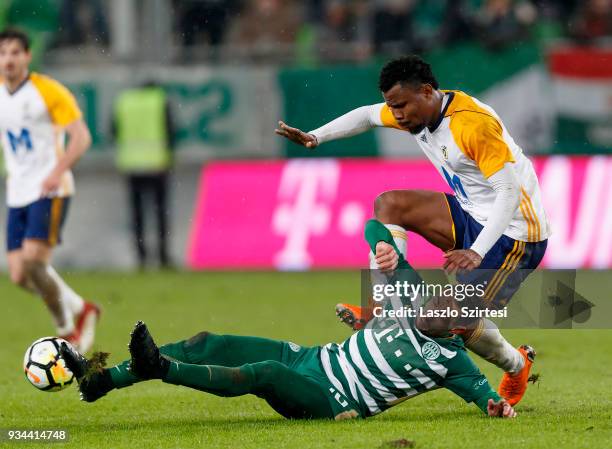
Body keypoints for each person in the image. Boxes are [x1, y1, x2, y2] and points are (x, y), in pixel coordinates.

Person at [275, 55, 548, 406]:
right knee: (390, 204)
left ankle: (516, 365)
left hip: (514, 236)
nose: (397, 114)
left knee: (441, 322)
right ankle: (381, 310)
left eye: (401, 105)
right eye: (393, 106)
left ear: (427, 91)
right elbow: (367, 115)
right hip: (471, 214)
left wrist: (476, 251)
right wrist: (316, 137)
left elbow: (509, 193)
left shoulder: (471, 126)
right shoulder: (417, 110)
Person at [60, 221, 519, 420]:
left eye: (455, 312)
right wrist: (380, 244)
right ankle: (99, 381)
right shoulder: (410, 292)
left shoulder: (453, 363)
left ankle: (160, 368)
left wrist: (498, 407)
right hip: (314, 359)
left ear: (460, 327)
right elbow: (373, 226)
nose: (442, 308)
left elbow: (488, 401)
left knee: (266, 375)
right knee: (209, 342)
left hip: (331, 398)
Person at [0, 28, 100, 352]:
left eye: (15, 52)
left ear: (28, 56)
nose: (8, 60)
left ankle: (67, 328)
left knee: (33, 261)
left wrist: (57, 172)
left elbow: (81, 137)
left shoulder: (48, 91)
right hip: (17, 190)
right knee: (19, 275)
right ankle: (82, 307)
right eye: (2, 53)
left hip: (50, 187)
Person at [113, 81, 175, 269]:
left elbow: (113, 131)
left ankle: (141, 257)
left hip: (132, 165)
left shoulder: (124, 102)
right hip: (157, 164)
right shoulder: (160, 100)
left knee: (137, 214)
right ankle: (163, 256)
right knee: (160, 213)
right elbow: (171, 131)